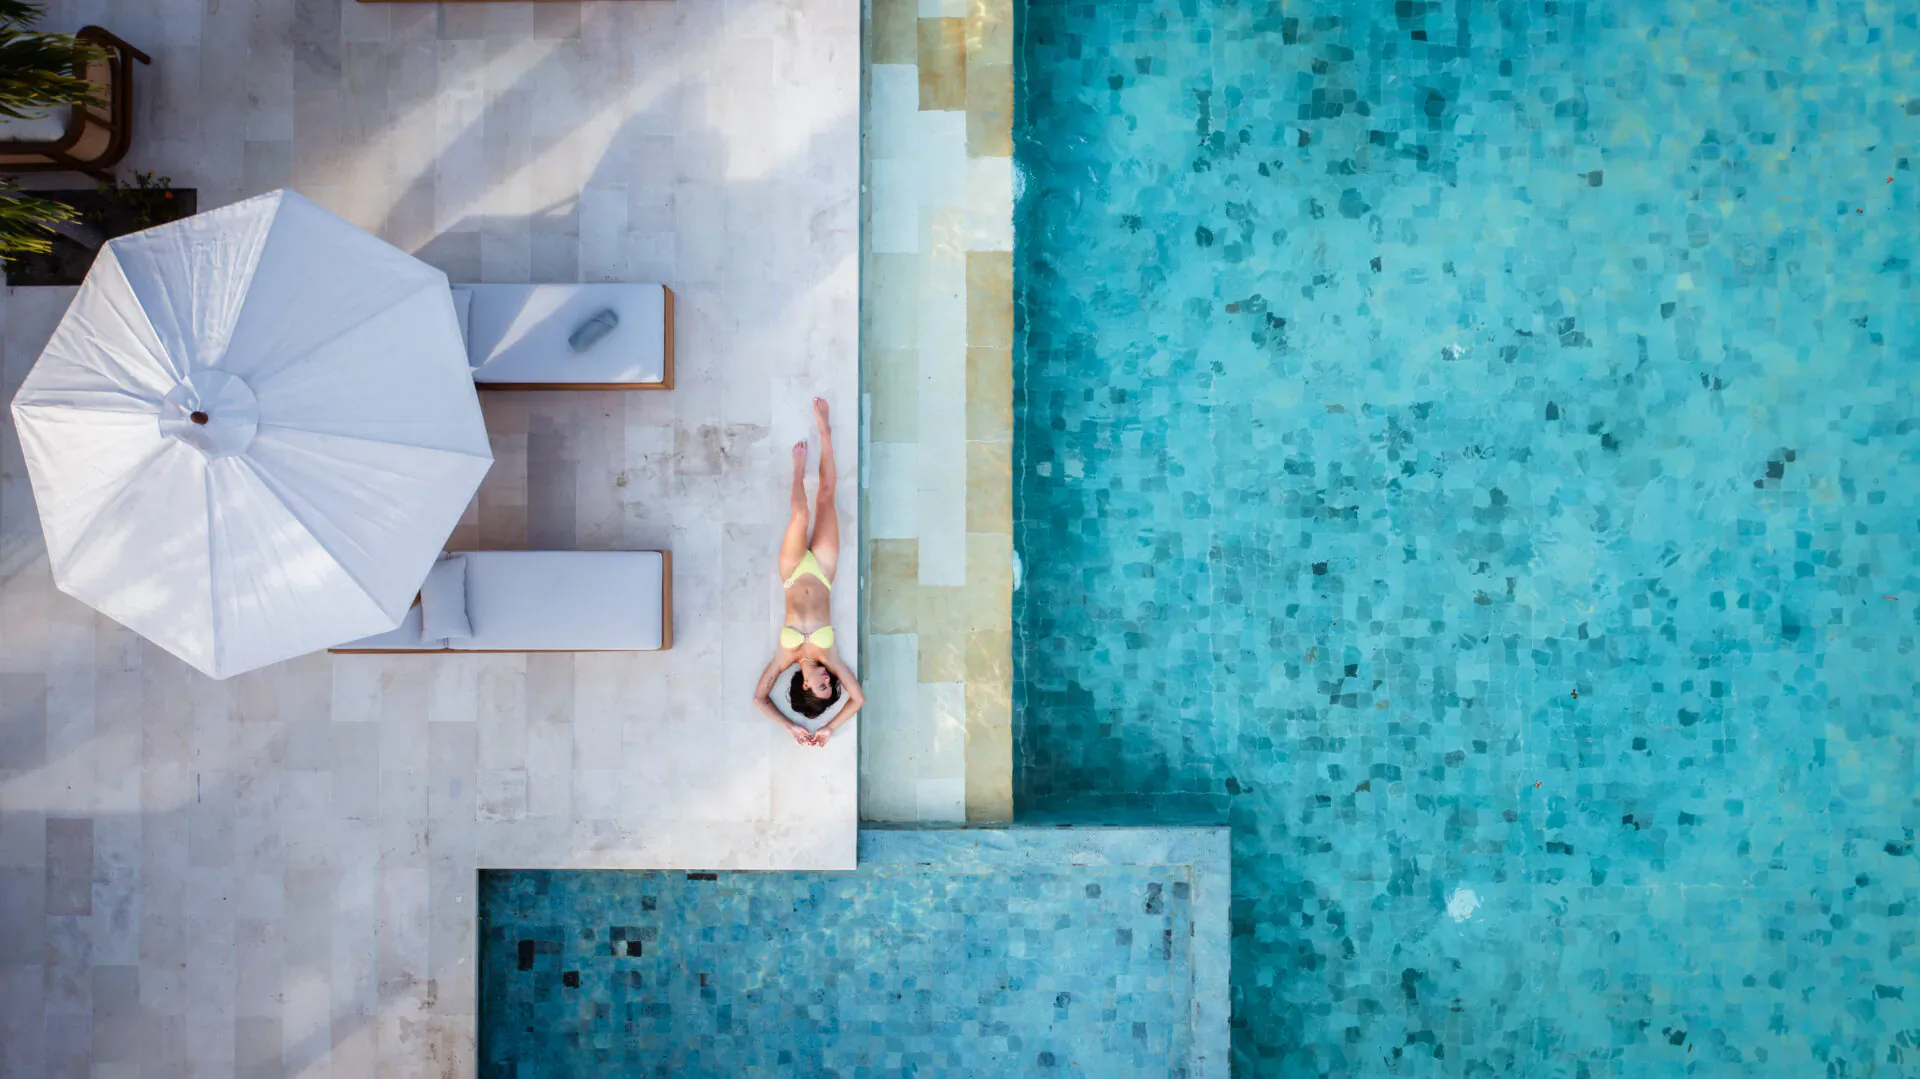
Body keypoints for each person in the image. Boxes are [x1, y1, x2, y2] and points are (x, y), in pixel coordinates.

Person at [751, 398, 865, 747]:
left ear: (804, 685)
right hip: (824, 573)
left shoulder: (784, 658)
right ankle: (824, 431)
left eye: (821, 686)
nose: (829, 683)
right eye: (831, 686)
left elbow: (759, 699)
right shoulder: (831, 657)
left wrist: (788, 726)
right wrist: (831, 728)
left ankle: (797, 471)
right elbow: (858, 700)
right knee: (827, 497)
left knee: (800, 516)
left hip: (792, 572)